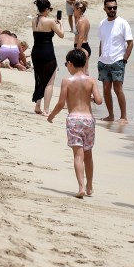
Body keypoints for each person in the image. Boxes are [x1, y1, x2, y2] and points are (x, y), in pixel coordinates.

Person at [48, 49, 104, 198]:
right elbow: (99, 100)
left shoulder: (67, 81)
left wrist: (51, 116)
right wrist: (90, 98)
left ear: (71, 64)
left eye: (67, 64)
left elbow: (61, 103)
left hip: (73, 120)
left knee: (77, 156)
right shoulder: (91, 80)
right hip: (88, 120)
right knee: (88, 155)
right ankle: (90, 186)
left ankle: (80, 187)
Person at [97, 0, 133, 123]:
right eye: (110, 8)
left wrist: (124, 60)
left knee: (118, 89)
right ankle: (111, 115)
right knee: (106, 89)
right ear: (104, 9)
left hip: (118, 60)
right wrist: (100, 57)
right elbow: (102, 42)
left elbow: (130, 43)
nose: (112, 10)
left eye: (115, 7)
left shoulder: (123, 23)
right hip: (103, 62)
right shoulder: (102, 23)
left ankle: (124, 117)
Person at [31, 0, 64, 115]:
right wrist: (61, 24)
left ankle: (38, 106)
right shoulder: (50, 21)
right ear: (46, 9)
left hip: (36, 52)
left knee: (39, 79)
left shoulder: (34, 20)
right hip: (47, 52)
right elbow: (61, 35)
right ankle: (46, 110)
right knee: (49, 81)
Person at [73, 0, 92, 70]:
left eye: (74, 10)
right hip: (84, 45)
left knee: (80, 72)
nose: (73, 12)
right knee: (84, 71)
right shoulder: (85, 20)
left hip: (81, 47)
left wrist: (76, 51)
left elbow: (81, 37)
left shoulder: (81, 22)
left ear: (78, 9)